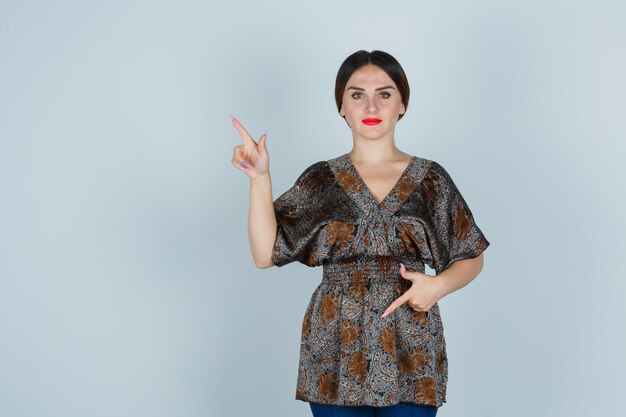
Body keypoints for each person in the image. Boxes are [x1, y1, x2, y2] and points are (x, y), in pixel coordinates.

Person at [230, 50, 490, 417]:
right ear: (341, 106)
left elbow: (471, 252)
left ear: (402, 104)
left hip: (410, 339)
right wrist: (259, 179)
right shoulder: (320, 179)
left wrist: (439, 285)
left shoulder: (431, 179)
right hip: (335, 340)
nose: (371, 104)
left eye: (384, 94)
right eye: (357, 95)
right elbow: (264, 254)